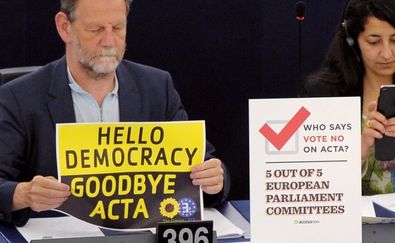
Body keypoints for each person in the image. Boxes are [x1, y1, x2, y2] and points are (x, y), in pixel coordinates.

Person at [0, 0, 229, 226]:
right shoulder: (18, 98)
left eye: (118, 28)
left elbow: (205, 166)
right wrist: (24, 194)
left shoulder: (157, 88)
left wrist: (214, 180)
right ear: (64, 27)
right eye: (96, 29)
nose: (109, 41)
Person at [304, 0, 395, 195]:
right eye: (373, 41)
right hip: (350, 222)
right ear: (352, 40)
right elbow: (314, 184)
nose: (387, 53)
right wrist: (360, 148)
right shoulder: (323, 93)